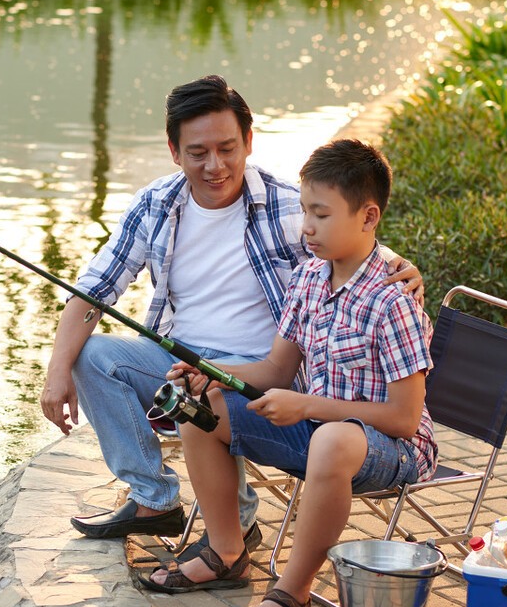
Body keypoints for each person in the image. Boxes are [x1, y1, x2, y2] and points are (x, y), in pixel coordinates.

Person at [39, 75, 421, 561]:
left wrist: (403, 268)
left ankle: (235, 521)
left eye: (227, 148)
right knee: (90, 355)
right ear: (174, 151)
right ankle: (154, 500)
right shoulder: (156, 204)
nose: (215, 165)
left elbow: (354, 241)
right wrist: (56, 374)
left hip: (261, 371)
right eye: (198, 152)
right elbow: (92, 291)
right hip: (181, 359)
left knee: (210, 394)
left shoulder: (287, 206)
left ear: (249, 142)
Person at [141, 138, 437, 607]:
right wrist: (210, 372)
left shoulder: (393, 301)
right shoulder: (307, 278)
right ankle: (227, 553)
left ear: (368, 217)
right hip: (320, 432)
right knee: (201, 410)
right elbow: (278, 367)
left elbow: (405, 419)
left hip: (392, 449)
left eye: (321, 214)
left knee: (331, 440)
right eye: (304, 211)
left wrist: (309, 406)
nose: (306, 227)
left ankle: (291, 596)